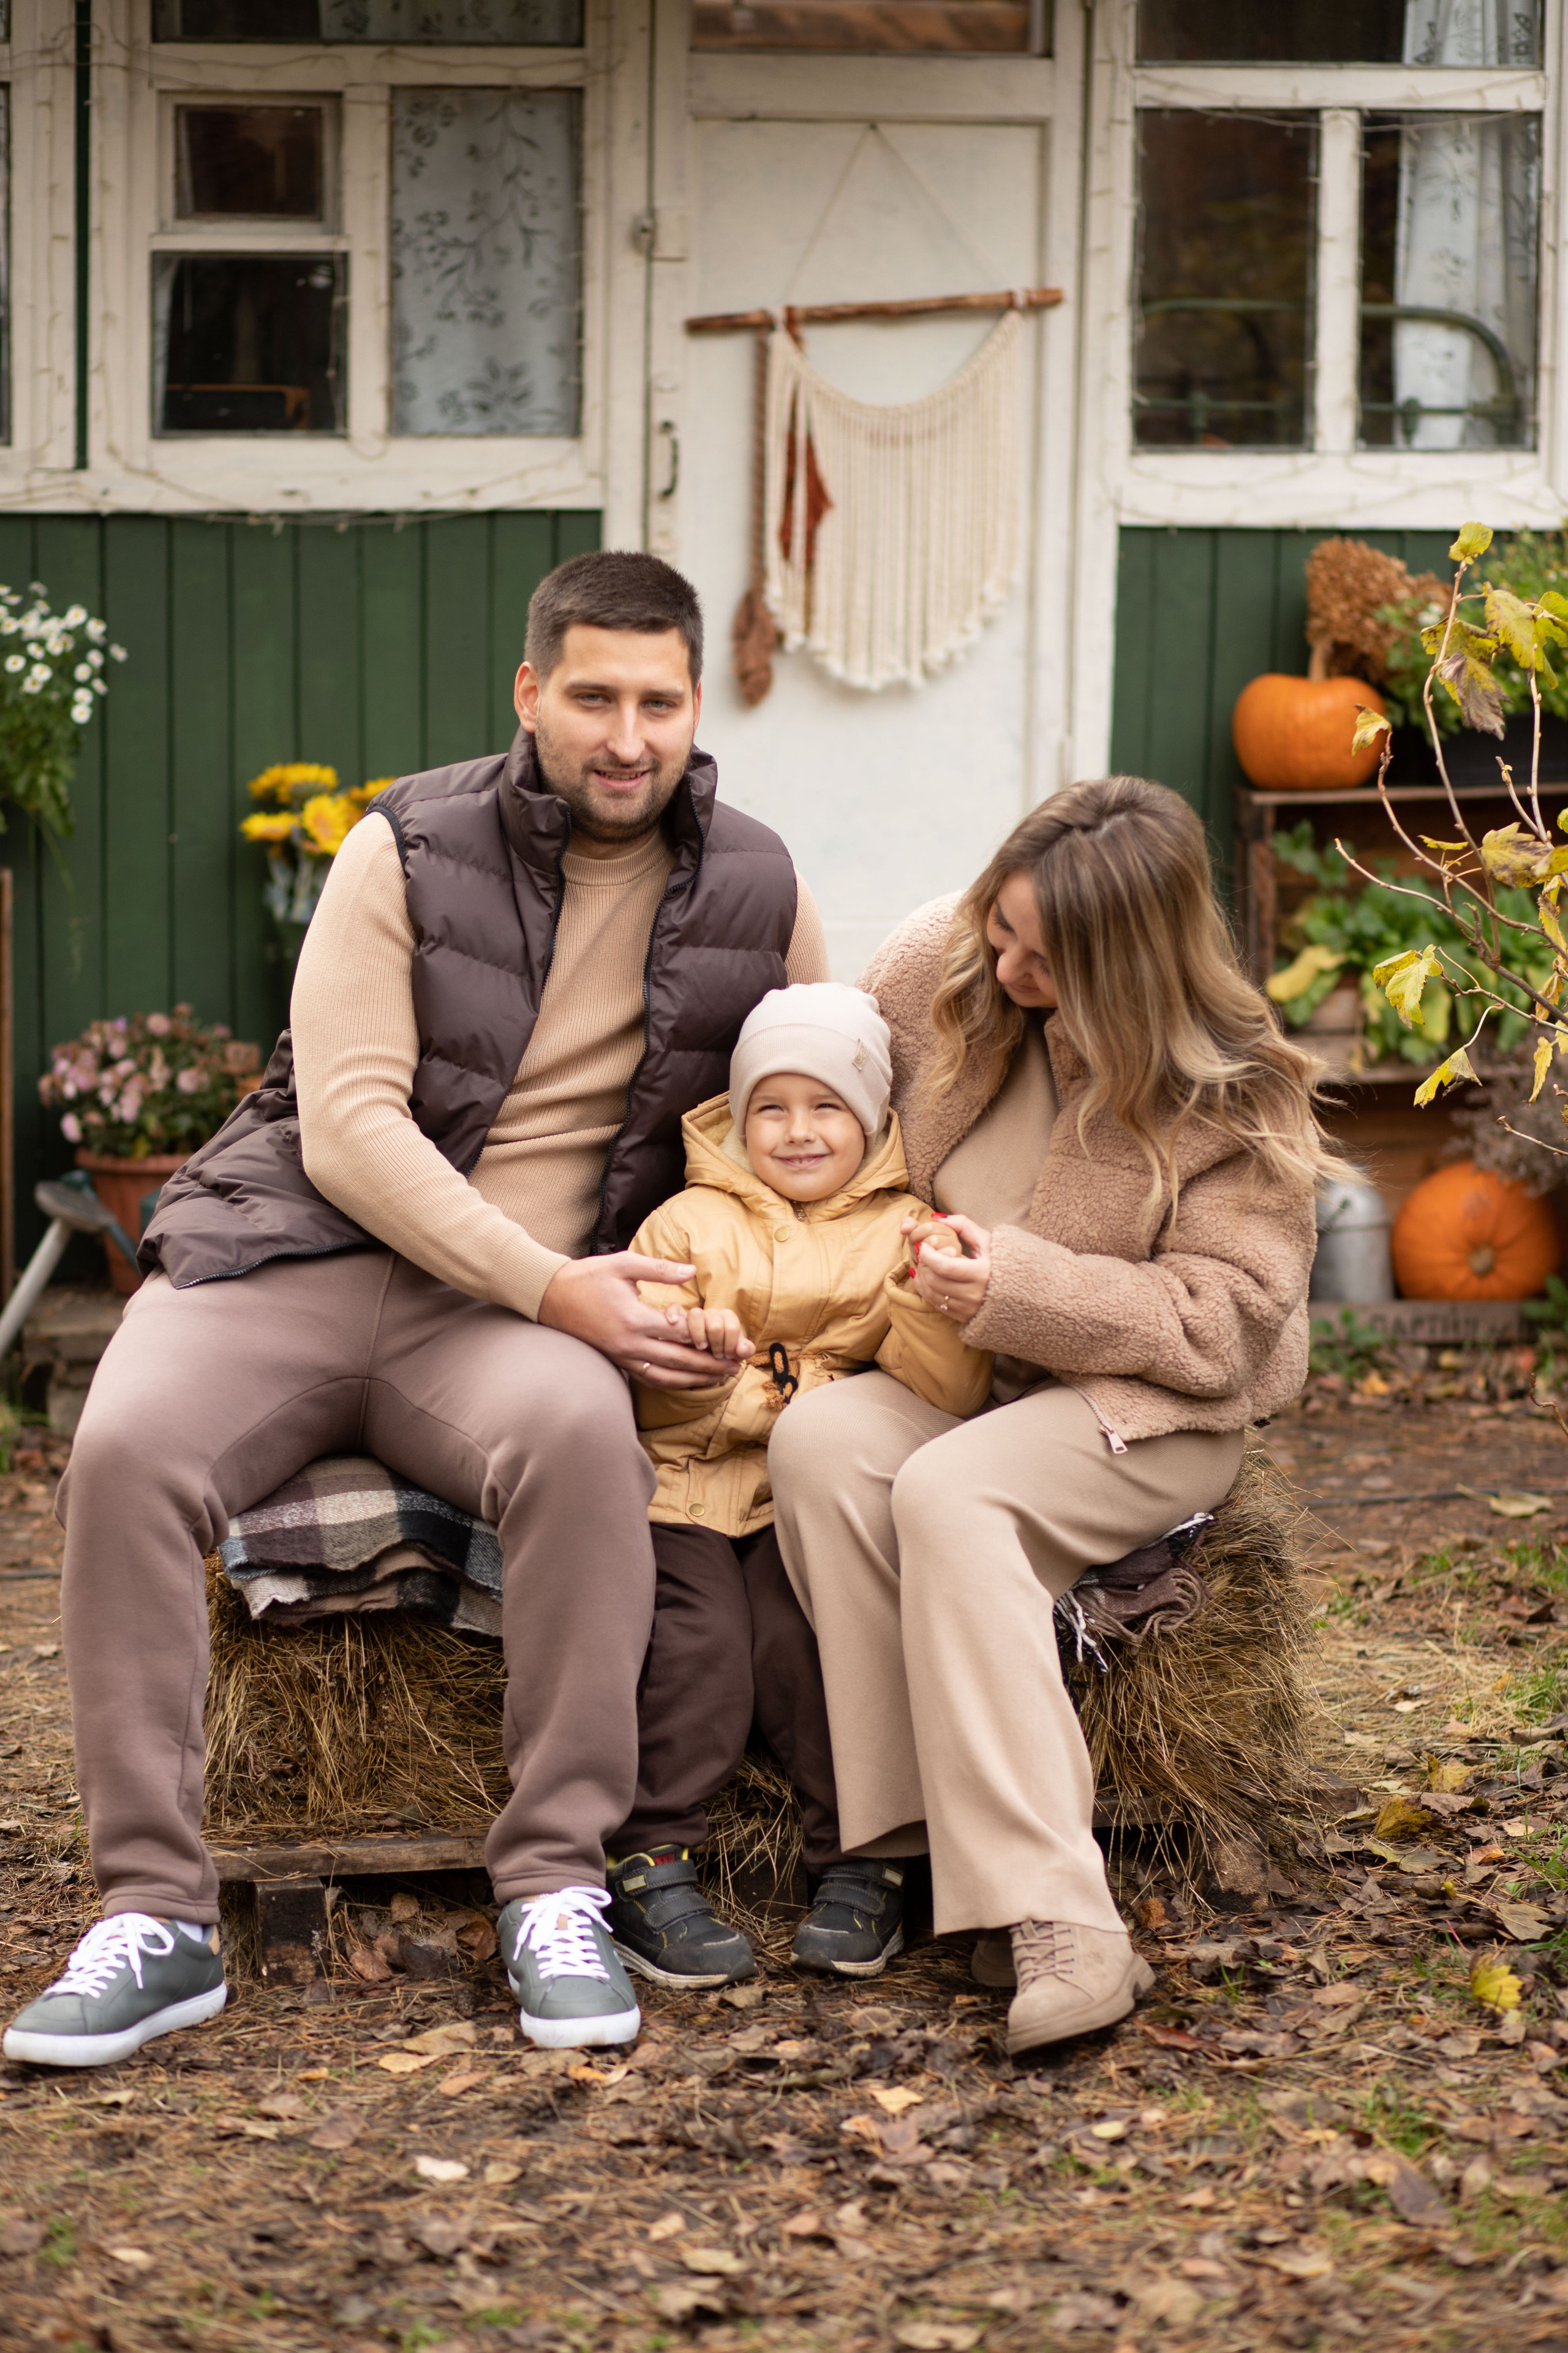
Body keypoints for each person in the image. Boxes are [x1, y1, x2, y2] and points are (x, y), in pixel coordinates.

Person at [4, 551, 830, 2069]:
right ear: (529, 693)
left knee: (583, 1442)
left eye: (657, 703)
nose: (626, 738)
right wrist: (558, 1286)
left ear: (695, 705)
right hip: (299, 1259)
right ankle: (157, 1915)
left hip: (500, 1330)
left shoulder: (758, 884)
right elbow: (349, 1130)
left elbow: (817, 1088)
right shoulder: (405, 842)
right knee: (122, 1450)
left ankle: (554, 1882)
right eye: (592, 697)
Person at [768, 776, 1330, 2057]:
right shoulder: (938, 962)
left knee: (953, 1493)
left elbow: (1225, 1324)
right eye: (1002, 923)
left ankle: (1060, 1917)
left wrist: (1018, 1289)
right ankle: (909, 1848)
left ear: (1127, 965)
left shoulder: (1233, 1081)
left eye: (1045, 956)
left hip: (1149, 1406)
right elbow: (842, 1129)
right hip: (967, 1378)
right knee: (821, 1444)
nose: (1006, 964)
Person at [601, 983, 990, 1990]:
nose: (799, 1130)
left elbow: (938, 1392)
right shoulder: (684, 1224)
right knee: (699, 1646)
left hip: (804, 1500)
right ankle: (650, 1856)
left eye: (827, 1106)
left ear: (871, 1115)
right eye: (770, 1107)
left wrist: (932, 1300)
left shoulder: (907, 1228)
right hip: (682, 1486)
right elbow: (636, 1385)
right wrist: (691, 1359)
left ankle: (862, 1855)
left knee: (807, 1639)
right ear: (738, 1118)